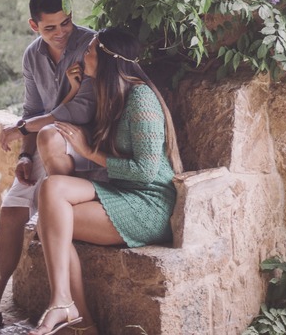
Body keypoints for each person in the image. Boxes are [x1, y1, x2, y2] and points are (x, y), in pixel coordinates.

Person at [29, 28, 182, 335]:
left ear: (108, 58)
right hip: (122, 191)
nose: (83, 54)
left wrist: (88, 152)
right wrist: (74, 87)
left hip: (149, 204)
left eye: (90, 50)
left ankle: (77, 316)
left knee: (55, 223)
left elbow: (145, 172)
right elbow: (62, 116)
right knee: (52, 190)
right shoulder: (109, 92)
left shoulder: (141, 98)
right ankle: (68, 307)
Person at [0, 0, 102, 332]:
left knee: (50, 136)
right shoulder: (32, 56)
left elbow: (83, 109)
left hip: (84, 148)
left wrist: (22, 128)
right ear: (34, 26)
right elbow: (34, 110)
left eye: (65, 23)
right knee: (9, 213)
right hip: (46, 147)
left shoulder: (90, 45)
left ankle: (54, 206)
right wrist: (24, 153)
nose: (61, 33)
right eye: (50, 28)